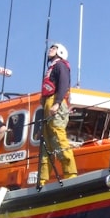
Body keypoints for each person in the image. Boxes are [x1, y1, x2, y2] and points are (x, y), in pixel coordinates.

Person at [38, 42, 78, 181]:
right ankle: (42, 179)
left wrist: (57, 103)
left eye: (53, 48)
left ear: (60, 51)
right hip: (48, 103)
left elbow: (63, 84)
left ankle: (70, 174)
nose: (50, 49)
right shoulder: (51, 67)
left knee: (58, 136)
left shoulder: (61, 65)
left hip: (55, 101)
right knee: (46, 142)